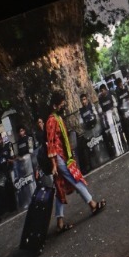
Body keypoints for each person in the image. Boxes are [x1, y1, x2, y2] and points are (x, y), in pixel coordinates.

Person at [45, 94, 106, 231]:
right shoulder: (51, 121)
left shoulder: (58, 118)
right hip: (59, 158)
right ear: (54, 106)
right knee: (76, 179)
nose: (63, 107)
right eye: (61, 105)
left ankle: (60, 224)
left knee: (60, 189)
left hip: (63, 157)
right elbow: (50, 143)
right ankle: (93, 205)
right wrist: (54, 164)